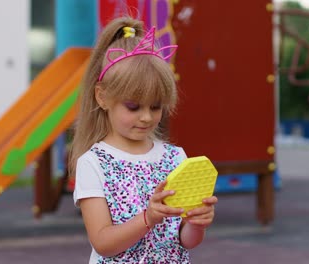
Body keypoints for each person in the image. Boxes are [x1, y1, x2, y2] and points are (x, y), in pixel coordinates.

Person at [70, 17, 218, 263]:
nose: (147, 117)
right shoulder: (94, 163)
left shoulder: (176, 158)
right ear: (102, 97)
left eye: (156, 106)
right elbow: (103, 243)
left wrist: (197, 223)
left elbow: (185, 241)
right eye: (133, 106)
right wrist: (148, 218)